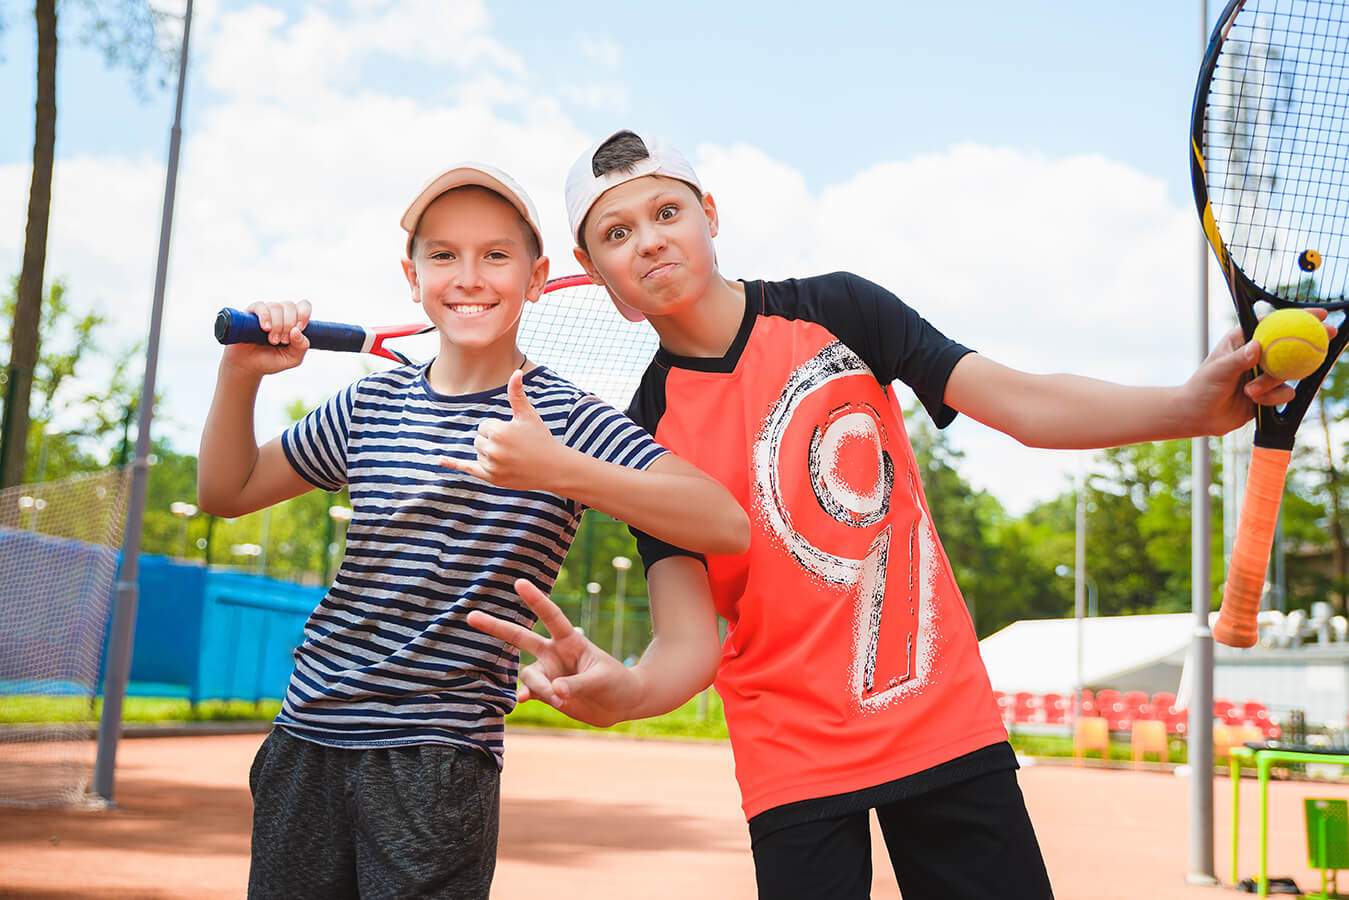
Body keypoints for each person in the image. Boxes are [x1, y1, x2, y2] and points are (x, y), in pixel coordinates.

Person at [466, 130, 1331, 900]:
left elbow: (1021, 405)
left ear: (709, 215)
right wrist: (628, 693)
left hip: (939, 723)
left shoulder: (840, 309)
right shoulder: (643, 430)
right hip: (792, 762)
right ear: (605, 282)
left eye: (664, 211)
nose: (649, 239)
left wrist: (1183, 408)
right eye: (616, 234)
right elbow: (689, 639)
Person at [197, 160, 749, 900]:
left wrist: (560, 467)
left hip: (439, 755)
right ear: (412, 274)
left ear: (537, 276)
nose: (469, 276)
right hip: (307, 736)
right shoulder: (368, 402)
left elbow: (724, 522)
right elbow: (225, 491)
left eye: (495, 255)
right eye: (443, 255)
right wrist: (241, 376)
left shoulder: (567, 417)